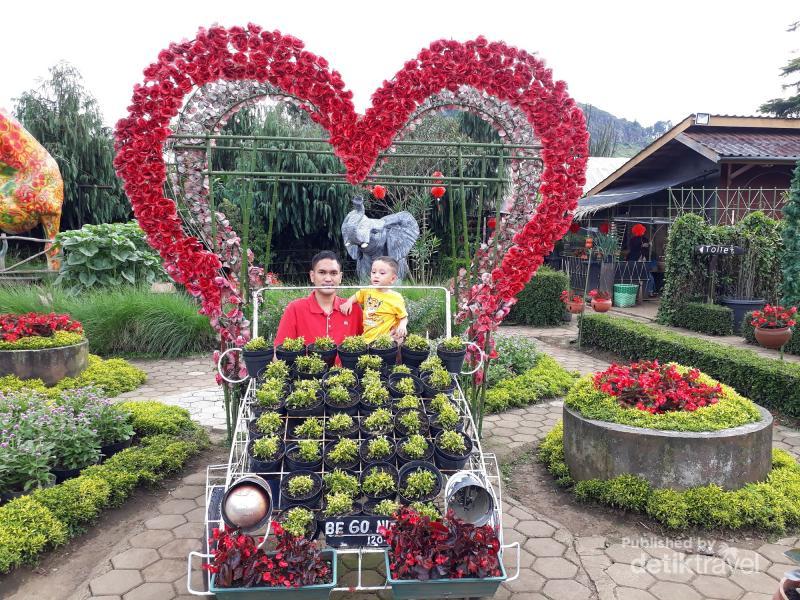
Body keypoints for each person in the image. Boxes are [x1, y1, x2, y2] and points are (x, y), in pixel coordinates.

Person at [274, 251, 362, 347]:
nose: (328, 279)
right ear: (312, 276)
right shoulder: (295, 309)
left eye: (333, 273)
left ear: (340, 277)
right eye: (322, 272)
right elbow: (279, 352)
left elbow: (368, 346)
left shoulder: (354, 309)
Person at [339, 256, 408, 344]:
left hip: (385, 342)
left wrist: (402, 326)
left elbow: (403, 317)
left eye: (382, 273)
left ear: (393, 279)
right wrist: (348, 302)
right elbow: (357, 296)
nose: (376, 275)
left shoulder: (396, 298)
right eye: (373, 272)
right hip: (366, 339)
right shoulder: (367, 290)